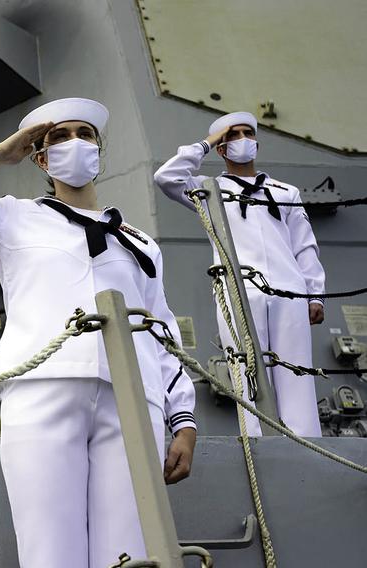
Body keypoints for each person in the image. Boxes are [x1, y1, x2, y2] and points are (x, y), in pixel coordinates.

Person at [0, 98, 197, 568]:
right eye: (59, 137)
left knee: (130, 554)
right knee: (49, 551)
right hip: (43, 387)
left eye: (85, 135)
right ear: (40, 158)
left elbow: (161, 331)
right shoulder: (9, 217)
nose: (75, 143)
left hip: (134, 398)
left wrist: (183, 421)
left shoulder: (141, 243)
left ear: (99, 150)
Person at [154, 111, 324, 437]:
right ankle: (258, 449)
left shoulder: (285, 191)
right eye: (233, 136)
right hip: (239, 292)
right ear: (222, 148)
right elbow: (166, 177)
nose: (243, 139)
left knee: (297, 377)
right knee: (250, 378)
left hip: (289, 292)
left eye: (248, 133)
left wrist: (314, 292)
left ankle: (307, 447)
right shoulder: (208, 190)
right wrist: (206, 143)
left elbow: (304, 246)